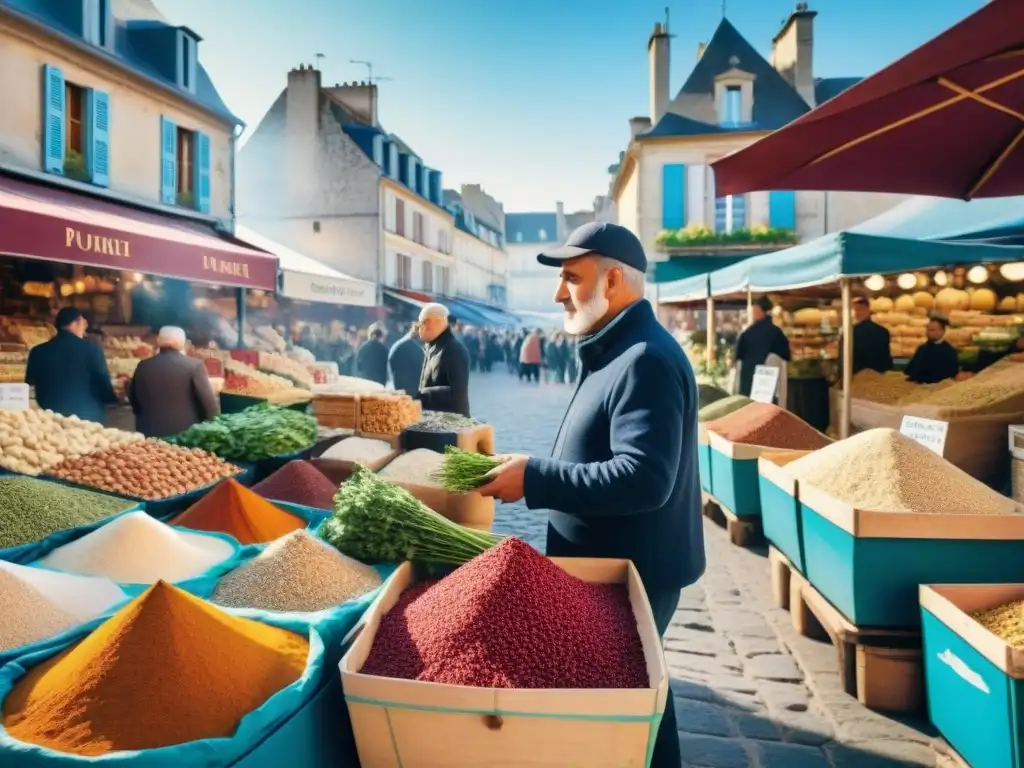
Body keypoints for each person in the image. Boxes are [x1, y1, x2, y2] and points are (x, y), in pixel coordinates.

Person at [477, 221, 702, 768]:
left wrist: (534, 477)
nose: (559, 293)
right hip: (613, 570)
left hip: (632, 575)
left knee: (630, 713)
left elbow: (645, 478)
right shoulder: (619, 346)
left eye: (571, 278)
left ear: (615, 280)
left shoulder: (644, 358)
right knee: (638, 704)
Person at [25, 307, 118, 423]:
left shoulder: (37, 352)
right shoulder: (93, 350)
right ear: (77, 322)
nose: (84, 329)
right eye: (84, 324)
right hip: (88, 419)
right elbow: (104, 385)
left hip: (49, 419)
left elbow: (29, 385)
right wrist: (114, 401)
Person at [128, 326, 220, 438]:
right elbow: (209, 405)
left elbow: (133, 399)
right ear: (182, 343)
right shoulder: (195, 366)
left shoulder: (143, 366)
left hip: (148, 433)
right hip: (185, 435)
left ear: (159, 341)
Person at [417, 303, 471, 416]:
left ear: (437, 322)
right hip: (434, 420)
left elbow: (457, 395)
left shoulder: (454, 350)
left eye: (424, 322)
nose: (419, 327)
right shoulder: (433, 346)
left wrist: (421, 395)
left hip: (449, 424)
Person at [733, 296, 791, 397]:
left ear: (758, 310)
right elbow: (786, 356)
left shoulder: (747, 334)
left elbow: (738, 358)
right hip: (769, 386)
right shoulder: (777, 333)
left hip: (748, 382)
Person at [905, 317, 959, 385]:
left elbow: (950, 374)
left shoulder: (949, 351)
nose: (928, 332)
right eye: (927, 329)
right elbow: (911, 370)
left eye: (932, 330)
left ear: (942, 331)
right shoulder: (922, 348)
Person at [850, 297, 893, 373]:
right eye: (855, 310)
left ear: (868, 311)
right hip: (878, 376)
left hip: (858, 377)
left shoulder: (851, 333)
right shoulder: (882, 331)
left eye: (860, 309)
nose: (857, 313)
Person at [388, 323, 425, 396]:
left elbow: (391, 363)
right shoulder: (418, 349)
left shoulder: (397, 345)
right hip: (414, 389)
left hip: (398, 387)